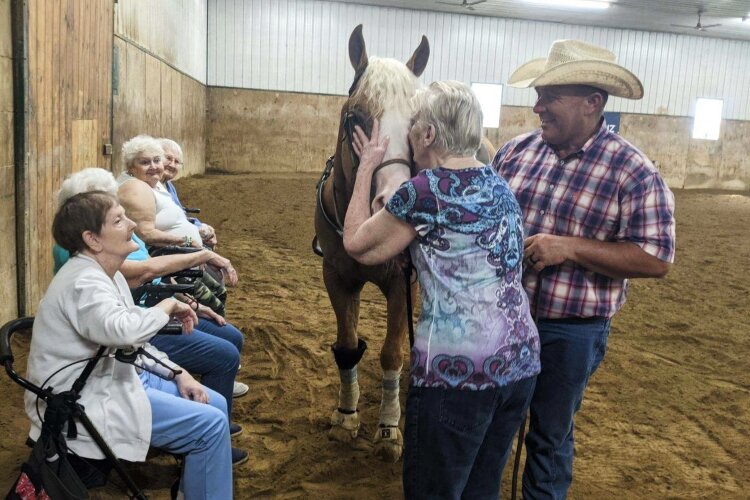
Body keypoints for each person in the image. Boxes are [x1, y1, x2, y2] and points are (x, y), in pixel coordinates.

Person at [492, 39, 676, 499]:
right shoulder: (513, 154)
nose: (537, 106)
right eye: (538, 95)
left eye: (551, 96)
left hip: (572, 330)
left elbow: (655, 257)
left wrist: (569, 249)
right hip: (504, 321)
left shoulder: (632, 171)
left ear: (594, 102)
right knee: (493, 426)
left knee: (549, 436)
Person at [343, 81, 540, 499]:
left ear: (429, 135)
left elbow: (357, 245)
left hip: (458, 374)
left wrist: (366, 168)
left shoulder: (423, 191)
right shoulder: (500, 185)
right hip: (519, 363)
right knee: (480, 489)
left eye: (413, 125)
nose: (409, 134)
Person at [26, 191, 233, 498]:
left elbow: (132, 341)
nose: (133, 224)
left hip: (115, 376)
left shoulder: (107, 275)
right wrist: (167, 307)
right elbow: (125, 333)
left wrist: (178, 373)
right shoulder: (84, 283)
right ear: (93, 239)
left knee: (216, 403)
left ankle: (195, 487)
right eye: (119, 219)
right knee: (212, 424)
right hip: (86, 399)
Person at [52, 168, 250, 464]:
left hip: (139, 326)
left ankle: (211, 428)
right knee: (224, 354)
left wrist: (182, 301)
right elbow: (140, 282)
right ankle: (205, 440)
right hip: (124, 349)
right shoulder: (90, 267)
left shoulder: (105, 259)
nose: (129, 221)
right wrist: (198, 262)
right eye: (116, 215)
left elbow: (144, 281)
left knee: (231, 338)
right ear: (89, 232)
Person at [117, 135, 231, 316]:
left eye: (156, 160)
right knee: (214, 300)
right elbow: (146, 234)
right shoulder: (137, 188)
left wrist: (198, 230)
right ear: (131, 167)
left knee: (218, 293)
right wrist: (187, 241)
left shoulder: (157, 184)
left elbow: (177, 216)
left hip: (180, 258)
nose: (154, 166)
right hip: (169, 263)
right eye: (145, 162)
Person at [159, 138, 217, 247]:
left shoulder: (168, 185)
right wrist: (192, 240)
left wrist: (201, 227)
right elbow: (150, 235)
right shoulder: (147, 188)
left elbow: (180, 215)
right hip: (167, 245)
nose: (172, 165)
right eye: (168, 158)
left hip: (180, 240)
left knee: (209, 246)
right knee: (212, 257)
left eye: (176, 162)